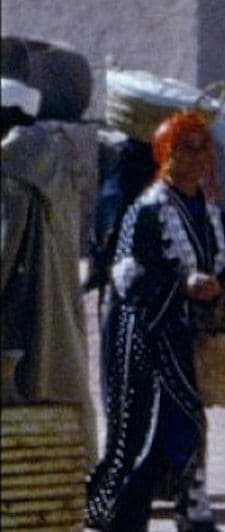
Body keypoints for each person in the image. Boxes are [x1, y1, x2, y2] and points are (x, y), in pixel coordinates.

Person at [85, 109, 225, 532]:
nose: (195, 157)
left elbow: (212, 272)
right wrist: (182, 287)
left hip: (181, 335)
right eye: (184, 148)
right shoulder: (146, 212)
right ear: (164, 154)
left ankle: (192, 519)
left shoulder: (209, 213)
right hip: (142, 334)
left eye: (202, 147)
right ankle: (126, 521)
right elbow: (127, 276)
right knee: (140, 428)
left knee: (186, 424)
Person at [1, 78, 94, 450]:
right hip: (56, 301)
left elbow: (5, 248)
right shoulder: (55, 157)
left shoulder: (13, 169)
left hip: (18, 311)